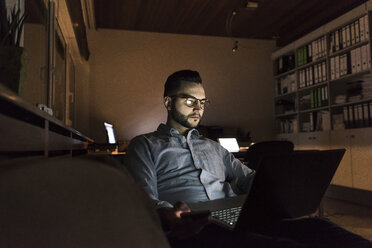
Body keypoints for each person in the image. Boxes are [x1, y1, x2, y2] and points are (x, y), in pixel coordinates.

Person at [125, 70, 372, 247]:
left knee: (322, 229)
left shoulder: (213, 147)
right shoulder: (144, 145)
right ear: (168, 102)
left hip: (236, 218)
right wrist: (171, 215)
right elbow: (144, 199)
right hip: (191, 228)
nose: (198, 108)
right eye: (190, 101)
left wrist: (282, 191)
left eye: (202, 102)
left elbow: (250, 180)